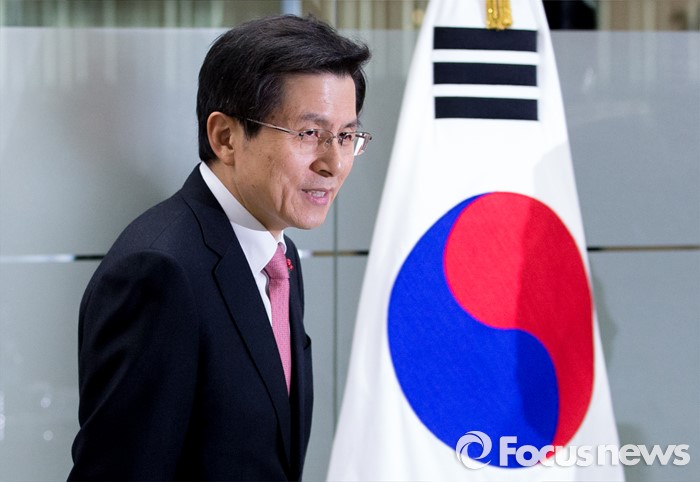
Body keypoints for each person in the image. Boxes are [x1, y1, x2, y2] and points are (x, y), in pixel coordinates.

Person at [68, 14, 371, 481]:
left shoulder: (278, 257)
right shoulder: (159, 272)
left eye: (347, 136)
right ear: (225, 137)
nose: (333, 163)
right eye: (310, 134)